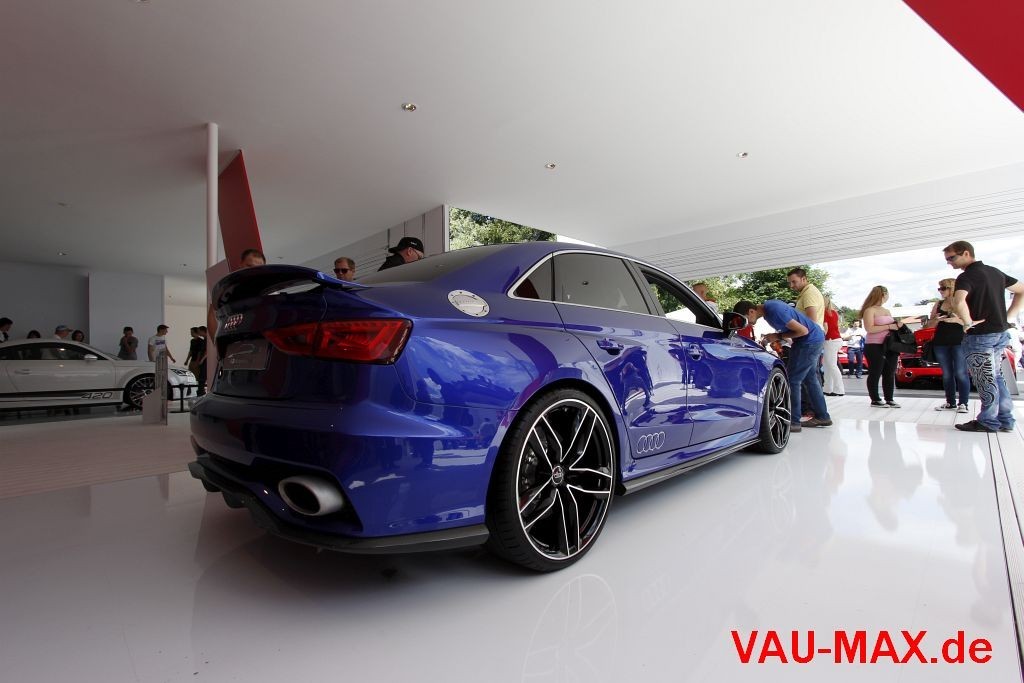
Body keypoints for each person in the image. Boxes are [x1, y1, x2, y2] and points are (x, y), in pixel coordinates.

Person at [943, 240, 1023, 433]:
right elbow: (1021, 290)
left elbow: (959, 301)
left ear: (966, 253)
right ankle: (1005, 419)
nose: (949, 262)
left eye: (952, 258)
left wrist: (967, 323)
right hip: (999, 333)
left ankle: (988, 421)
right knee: (996, 376)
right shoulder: (995, 272)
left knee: (985, 379)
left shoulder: (966, 276)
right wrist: (1008, 317)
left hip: (980, 335)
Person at [733, 299, 831, 432]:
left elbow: (803, 331)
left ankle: (794, 421)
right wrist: (776, 337)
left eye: (746, 319)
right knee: (810, 379)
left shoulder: (774, 310)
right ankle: (823, 416)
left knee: (793, 380)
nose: (747, 323)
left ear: (751, 311)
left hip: (808, 341)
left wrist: (778, 335)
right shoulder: (769, 311)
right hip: (812, 339)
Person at [860, 286, 919, 408]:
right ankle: (875, 399)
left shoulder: (886, 310)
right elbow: (869, 328)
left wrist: (897, 326)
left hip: (890, 345)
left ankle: (889, 398)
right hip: (875, 345)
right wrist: (889, 327)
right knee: (875, 372)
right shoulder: (869, 310)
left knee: (890, 372)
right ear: (883, 295)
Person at [922, 277, 969, 413]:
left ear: (951, 288)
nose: (940, 291)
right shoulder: (939, 304)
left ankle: (963, 403)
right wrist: (936, 320)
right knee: (947, 374)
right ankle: (950, 402)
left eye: (943, 288)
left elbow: (970, 323)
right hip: (940, 342)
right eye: (939, 288)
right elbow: (928, 325)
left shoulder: (963, 302)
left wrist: (957, 320)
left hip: (959, 341)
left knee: (961, 372)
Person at [821, 297, 844, 396]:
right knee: (828, 365)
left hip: (830, 340)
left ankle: (839, 389)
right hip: (836, 339)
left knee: (831, 365)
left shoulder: (824, 313)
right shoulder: (834, 313)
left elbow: (825, 328)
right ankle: (828, 389)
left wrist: (821, 338)